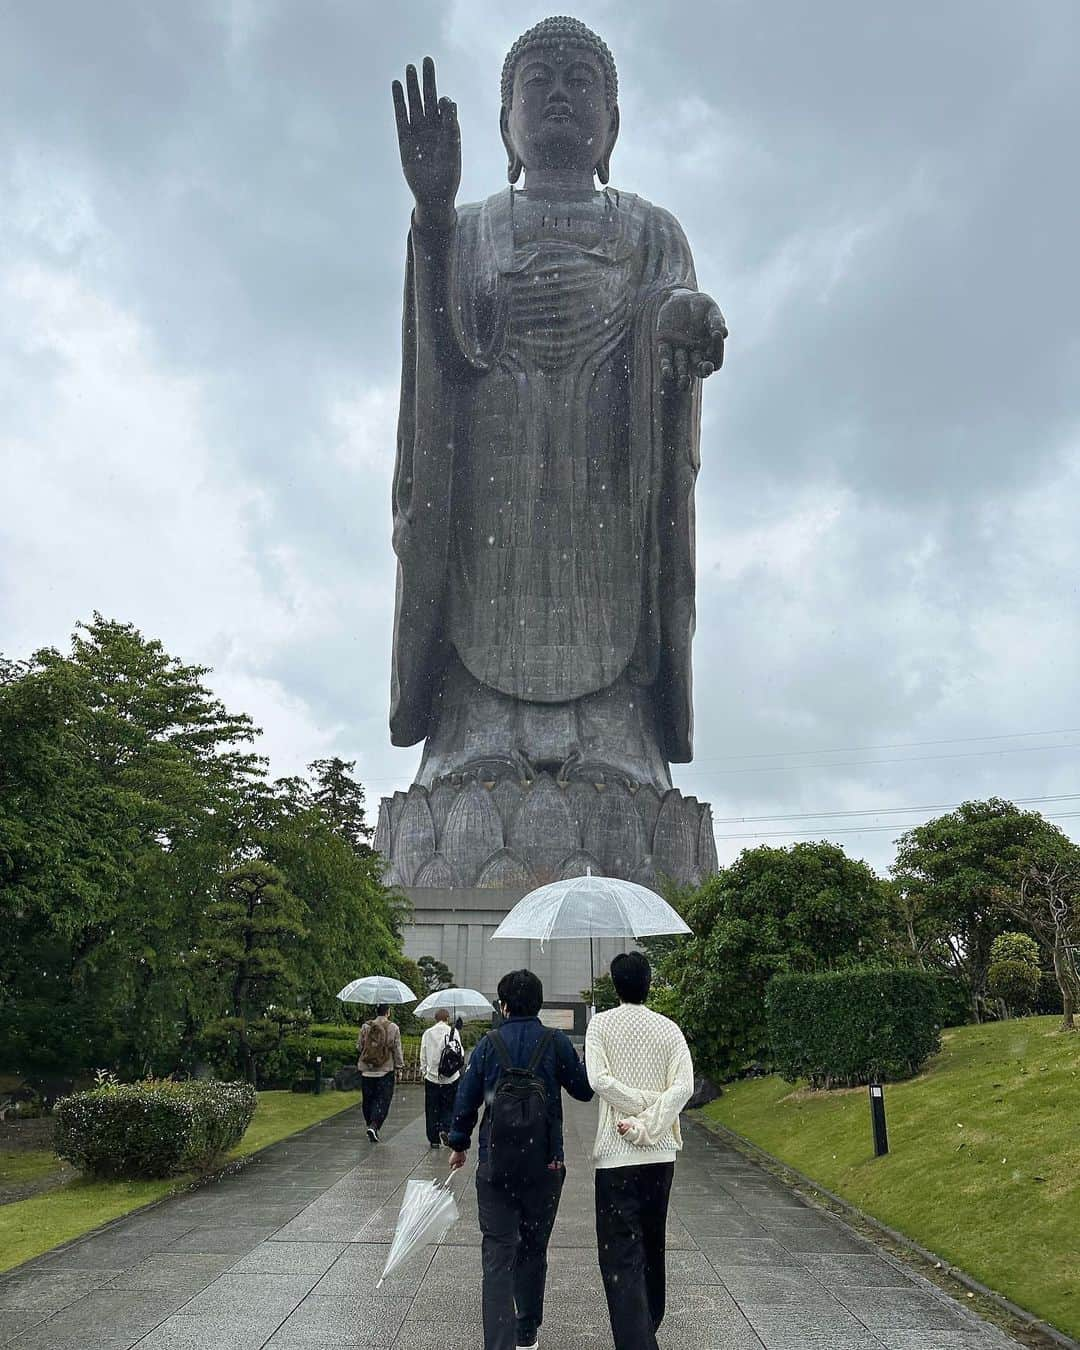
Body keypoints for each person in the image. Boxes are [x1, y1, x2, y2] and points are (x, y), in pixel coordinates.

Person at [448, 970, 593, 1350]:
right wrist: (586, 1055)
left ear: (504, 1005)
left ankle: (499, 1343)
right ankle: (527, 1333)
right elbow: (583, 1091)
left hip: (495, 1167)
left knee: (497, 1254)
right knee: (533, 1249)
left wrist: (459, 1143)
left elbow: (466, 1099)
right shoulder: (555, 1042)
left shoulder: (489, 1045)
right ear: (539, 1004)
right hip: (545, 1167)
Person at [584, 952, 694, 1350]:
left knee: (620, 1256)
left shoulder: (600, 1025)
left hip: (617, 1154)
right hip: (661, 1156)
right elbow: (683, 1087)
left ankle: (638, 1339)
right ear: (649, 982)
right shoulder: (670, 1030)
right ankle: (647, 1326)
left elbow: (598, 1080)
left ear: (616, 985)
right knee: (652, 1243)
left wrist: (637, 1116)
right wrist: (652, 1114)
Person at [356, 1002, 404, 1143]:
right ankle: (374, 1125)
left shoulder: (366, 1026)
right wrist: (399, 1066)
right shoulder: (393, 1027)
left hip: (366, 1070)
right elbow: (397, 1049)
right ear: (388, 1012)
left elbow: (359, 1046)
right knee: (383, 1100)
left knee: (368, 1099)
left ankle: (369, 1123)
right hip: (385, 1070)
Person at [419, 1008, 462, 1148]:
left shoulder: (428, 1033)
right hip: (451, 1077)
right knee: (449, 1105)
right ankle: (445, 1128)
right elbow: (459, 1051)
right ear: (447, 1018)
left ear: (435, 1019)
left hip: (432, 1077)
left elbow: (423, 1053)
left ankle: (433, 1139)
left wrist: (424, 1071)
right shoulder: (454, 1032)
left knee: (432, 1108)